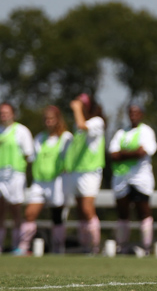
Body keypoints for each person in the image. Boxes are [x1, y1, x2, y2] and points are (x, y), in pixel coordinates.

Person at [16, 105, 72, 255]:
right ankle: (22, 246)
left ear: (58, 120)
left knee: (57, 215)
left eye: (51, 119)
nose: (48, 122)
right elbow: (32, 158)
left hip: (58, 181)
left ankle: (58, 248)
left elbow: (69, 160)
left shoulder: (66, 137)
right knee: (29, 213)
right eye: (46, 119)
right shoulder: (40, 138)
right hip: (40, 182)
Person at [108, 104, 157, 256]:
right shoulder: (121, 132)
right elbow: (112, 154)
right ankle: (122, 246)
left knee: (143, 212)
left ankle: (147, 247)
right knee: (122, 213)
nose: (133, 115)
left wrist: (123, 154)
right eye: (130, 113)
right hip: (121, 179)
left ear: (141, 114)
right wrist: (132, 152)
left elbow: (143, 152)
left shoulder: (146, 131)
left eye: (136, 112)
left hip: (140, 178)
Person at [0, 103, 34, 255]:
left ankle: (18, 245)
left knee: (16, 210)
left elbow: (29, 155)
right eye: (1, 112)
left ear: (13, 113)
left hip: (14, 175)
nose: (3, 115)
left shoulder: (21, 131)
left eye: (6, 112)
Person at [63, 93, 105, 255]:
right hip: (77, 171)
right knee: (80, 211)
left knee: (88, 209)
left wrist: (76, 108)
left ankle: (95, 246)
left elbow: (82, 125)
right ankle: (85, 246)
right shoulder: (78, 125)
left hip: (90, 172)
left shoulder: (97, 122)